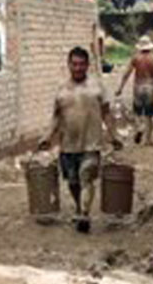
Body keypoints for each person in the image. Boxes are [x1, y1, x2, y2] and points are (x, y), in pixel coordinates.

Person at [40, 46, 122, 233]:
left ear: (87, 65)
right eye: (74, 64)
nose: (77, 68)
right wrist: (47, 137)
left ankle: (85, 213)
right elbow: (56, 117)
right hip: (68, 145)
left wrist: (113, 135)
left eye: (81, 64)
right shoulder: (61, 89)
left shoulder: (96, 87)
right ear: (68, 65)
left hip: (91, 143)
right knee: (73, 182)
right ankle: (78, 207)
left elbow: (107, 113)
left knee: (86, 176)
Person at [116, 36, 153, 145]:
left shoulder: (136, 58)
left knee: (137, 112)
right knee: (149, 115)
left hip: (138, 87)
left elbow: (127, 73)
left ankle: (139, 127)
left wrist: (120, 88)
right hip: (150, 87)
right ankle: (148, 140)